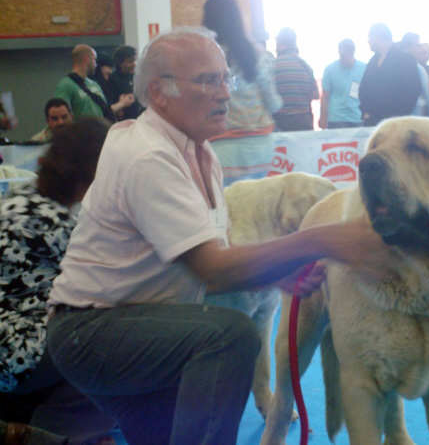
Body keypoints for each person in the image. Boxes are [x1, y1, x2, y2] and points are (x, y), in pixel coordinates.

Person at [45, 27, 385, 445]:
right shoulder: (149, 155)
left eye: (228, 79)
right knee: (231, 335)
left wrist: (276, 274)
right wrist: (324, 240)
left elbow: (215, 256)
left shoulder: (199, 153)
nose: (225, 93)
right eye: (209, 80)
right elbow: (213, 271)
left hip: (122, 329)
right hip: (93, 333)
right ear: (159, 92)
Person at [0, 118, 117, 443]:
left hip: (9, 348)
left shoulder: (19, 201)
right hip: (17, 360)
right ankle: (57, 428)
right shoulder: (63, 226)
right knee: (116, 336)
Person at [202, 0, 282, 184]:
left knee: (226, 207)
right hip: (261, 146)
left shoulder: (205, 54)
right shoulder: (257, 54)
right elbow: (273, 103)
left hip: (221, 145)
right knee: (257, 206)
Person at [359, 24, 421, 126]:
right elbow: (363, 89)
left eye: (370, 37)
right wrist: (365, 112)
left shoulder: (405, 59)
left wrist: (399, 116)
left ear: (379, 36)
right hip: (372, 121)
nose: (368, 41)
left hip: (397, 121)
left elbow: (413, 90)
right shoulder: (372, 62)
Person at [54, 44, 134, 122]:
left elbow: (106, 110)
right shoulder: (66, 85)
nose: (96, 65)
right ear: (87, 59)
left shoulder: (94, 85)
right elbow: (60, 115)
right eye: (94, 60)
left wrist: (121, 104)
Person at [272, 27, 319, 131]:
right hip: (303, 122)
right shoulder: (305, 66)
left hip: (280, 124)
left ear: (280, 44)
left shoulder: (273, 66)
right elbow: (315, 95)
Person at [318, 38, 366, 129]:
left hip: (357, 118)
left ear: (352, 52)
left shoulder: (364, 68)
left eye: (345, 54)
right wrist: (323, 118)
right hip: (336, 119)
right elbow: (325, 96)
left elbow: (368, 94)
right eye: (341, 54)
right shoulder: (330, 69)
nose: (343, 57)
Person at [108, 45, 143, 120]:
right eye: (130, 61)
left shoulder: (137, 76)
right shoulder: (112, 80)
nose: (134, 64)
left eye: (135, 60)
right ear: (120, 63)